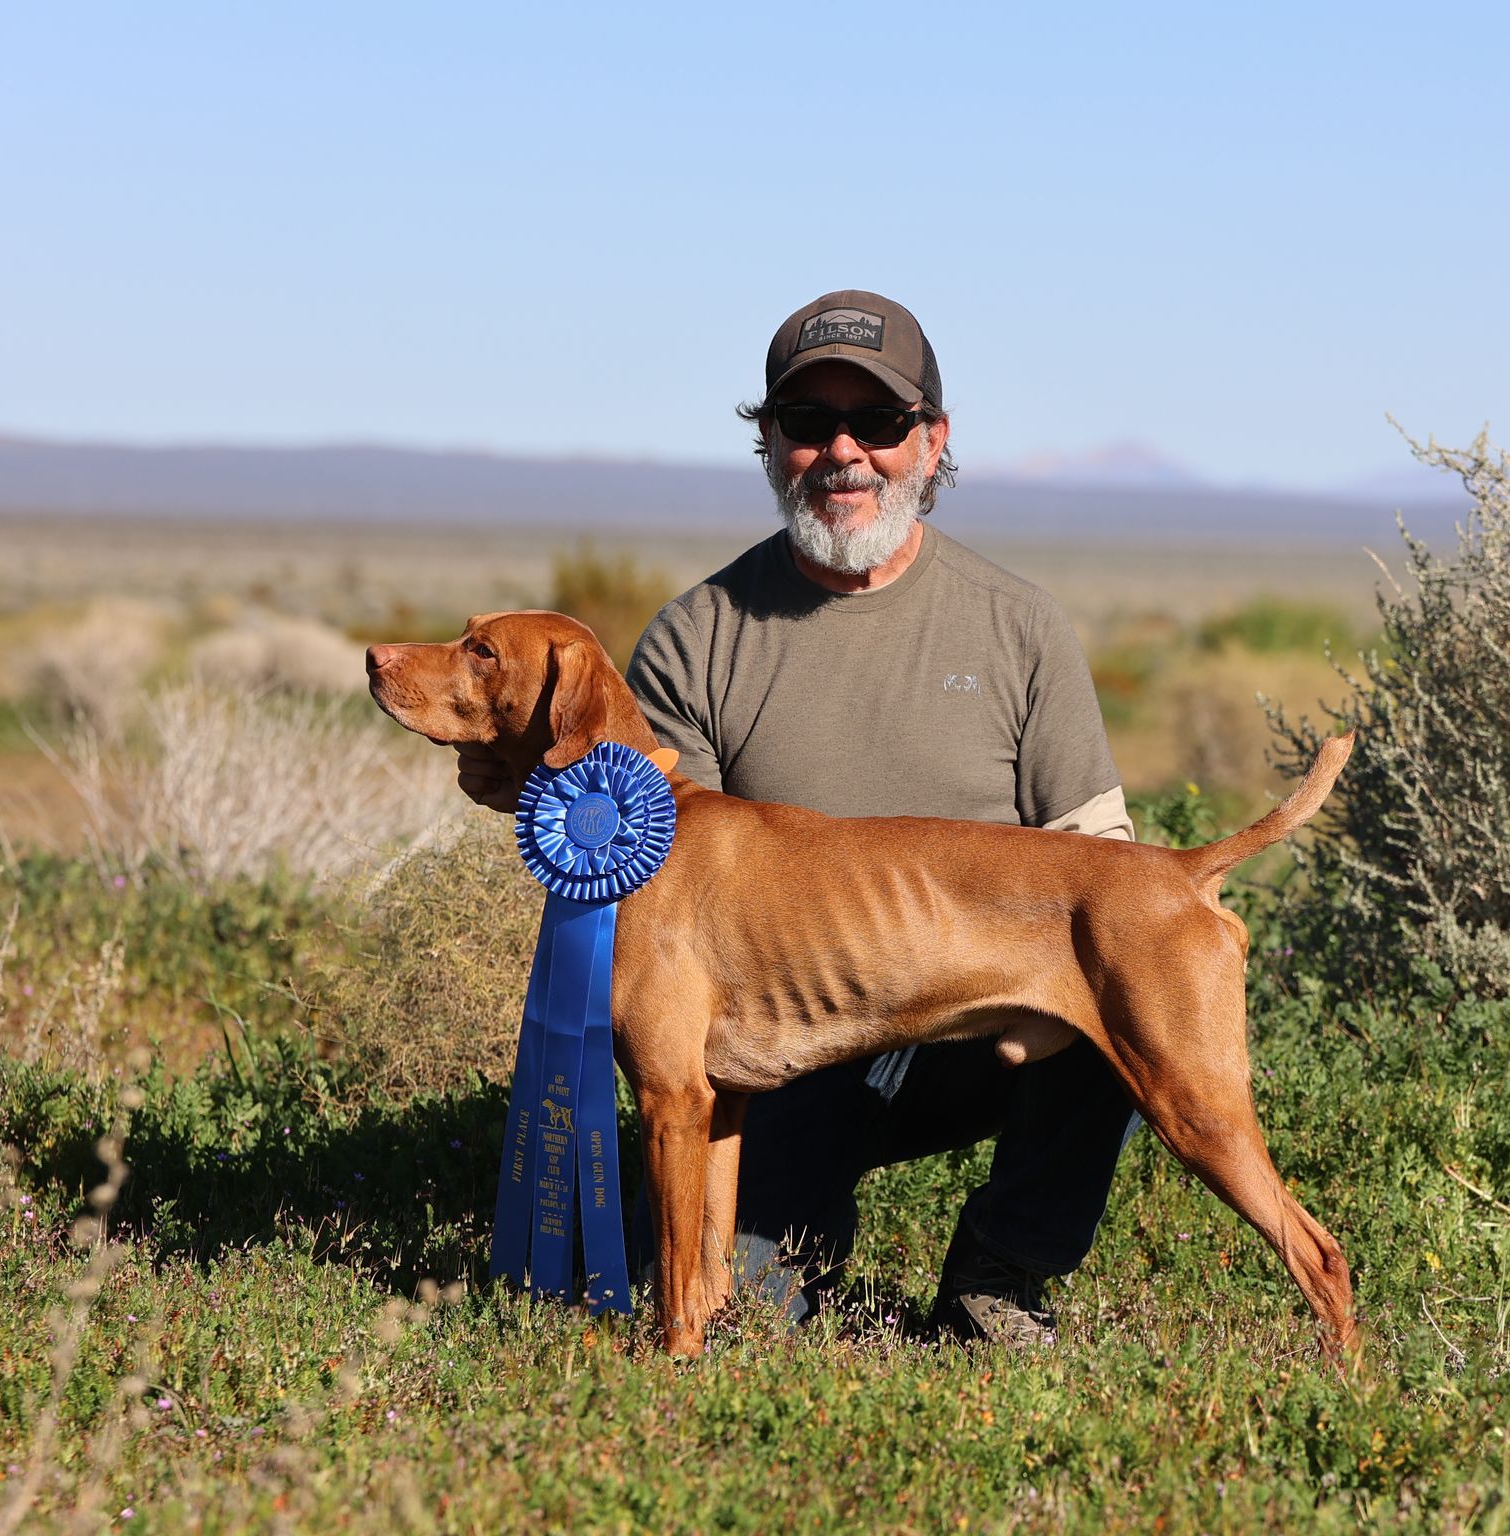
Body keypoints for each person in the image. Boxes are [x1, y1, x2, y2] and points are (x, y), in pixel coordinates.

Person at [459, 290, 1138, 1344]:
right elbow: (641, 867)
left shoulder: (1019, 627)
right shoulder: (700, 633)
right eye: (807, 423)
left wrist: (1037, 997)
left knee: (1118, 984)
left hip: (980, 1020)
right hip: (789, 1035)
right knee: (737, 1310)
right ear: (769, 443)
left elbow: (1106, 860)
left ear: (933, 442)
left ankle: (999, 1283)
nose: (843, 453)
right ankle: (776, 1275)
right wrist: (508, 767)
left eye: (878, 424)